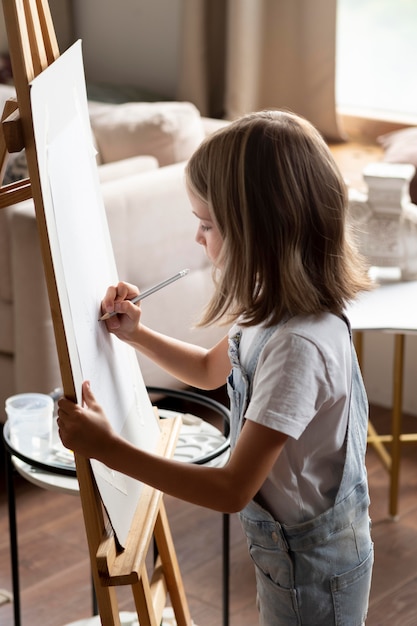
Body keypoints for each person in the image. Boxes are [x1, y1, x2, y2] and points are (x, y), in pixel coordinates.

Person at [58, 110, 374, 625]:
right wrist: (135, 334)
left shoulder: (299, 346)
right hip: (288, 558)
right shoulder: (273, 306)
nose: (197, 238)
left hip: (315, 573)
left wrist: (108, 450)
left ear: (260, 232)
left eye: (206, 224)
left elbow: (231, 490)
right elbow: (211, 369)